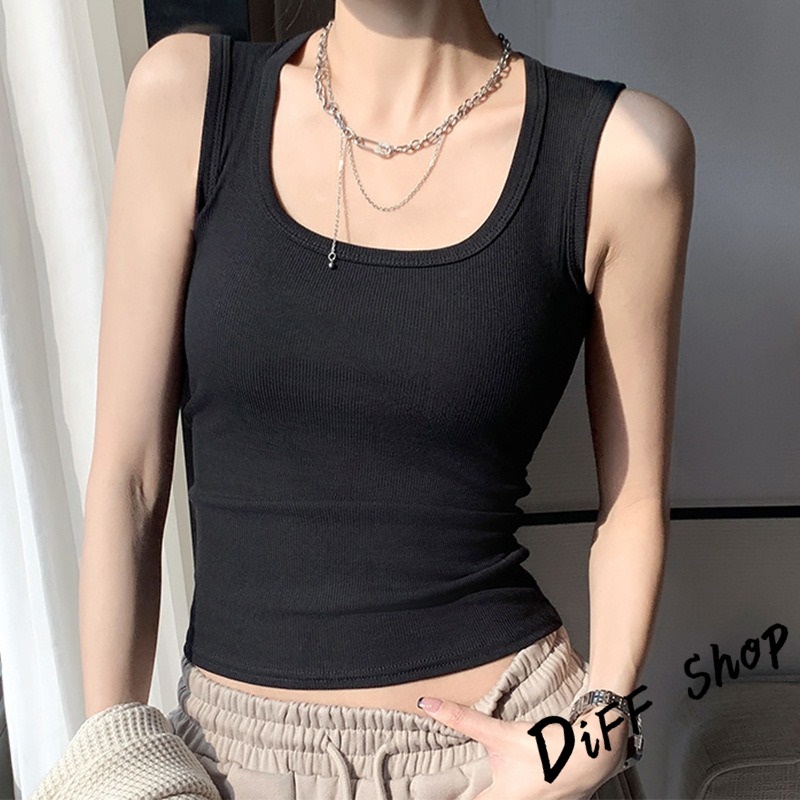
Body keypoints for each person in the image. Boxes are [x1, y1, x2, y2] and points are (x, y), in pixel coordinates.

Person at [80, 1, 694, 798]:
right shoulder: (186, 99)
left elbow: (635, 501)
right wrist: (114, 764)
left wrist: (595, 733)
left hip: (502, 758)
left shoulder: (624, 155)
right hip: (230, 764)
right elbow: (128, 479)